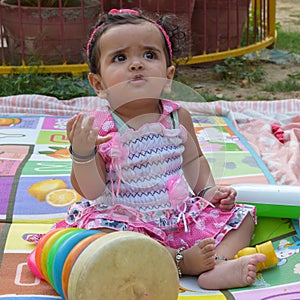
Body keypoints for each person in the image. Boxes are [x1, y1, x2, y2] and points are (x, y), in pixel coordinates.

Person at [56, 8, 266, 290]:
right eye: (120, 58)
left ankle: (217, 262)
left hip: (175, 214)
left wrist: (208, 192)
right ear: (98, 84)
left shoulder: (178, 117)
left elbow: (193, 160)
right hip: (125, 218)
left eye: (149, 55)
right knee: (104, 238)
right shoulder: (100, 127)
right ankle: (181, 262)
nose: (136, 65)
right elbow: (91, 191)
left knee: (242, 218)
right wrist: (83, 153)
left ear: (168, 77)